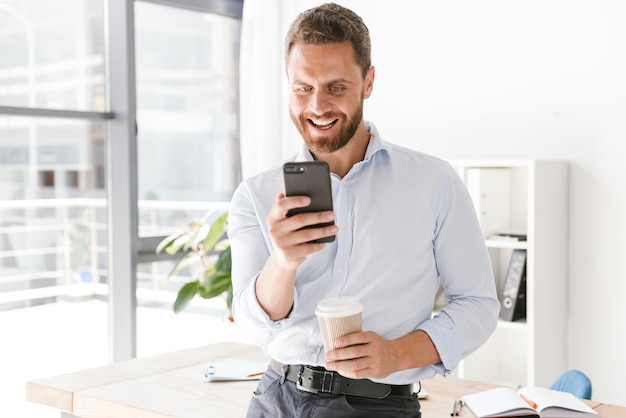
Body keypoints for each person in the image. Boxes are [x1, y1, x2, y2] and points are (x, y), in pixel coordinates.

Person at [228, 3, 500, 417]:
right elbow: (251, 324)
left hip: (378, 406)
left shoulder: (435, 183)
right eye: (303, 88)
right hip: (276, 399)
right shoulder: (256, 195)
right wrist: (283, 262)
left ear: (368, 81)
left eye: (335, 87)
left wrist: (395, 354)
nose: (317, 107)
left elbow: (478, 305)